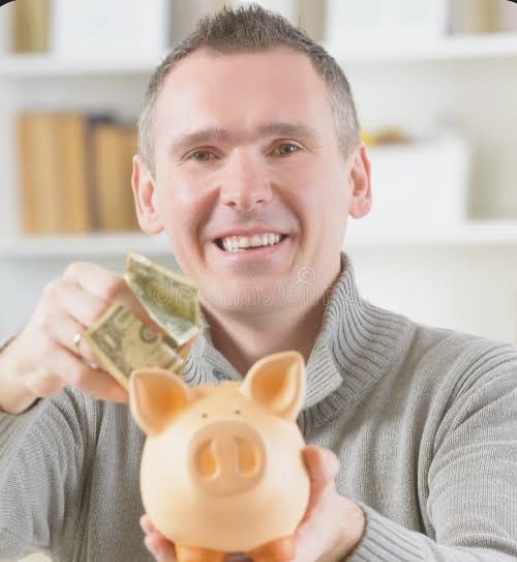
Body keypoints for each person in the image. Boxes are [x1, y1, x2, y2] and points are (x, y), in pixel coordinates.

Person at [1, 5, 516, 562]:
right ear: (148, 197)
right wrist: (7, 388)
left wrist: (349, 538)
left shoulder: (479, 387)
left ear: (357, 180)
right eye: (202, 154)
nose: (245, 191)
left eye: (286, 148)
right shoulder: (84, 392)